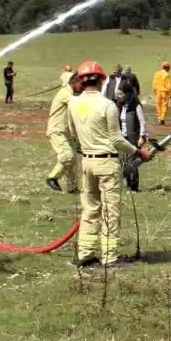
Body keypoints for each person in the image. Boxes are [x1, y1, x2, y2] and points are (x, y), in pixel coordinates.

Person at [68, 61, 150, 269]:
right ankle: (109, 258)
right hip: (106, 162)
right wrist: (138, 152)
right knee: (110, 212)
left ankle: (85, 254)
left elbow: (72, 132)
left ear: (81, 80)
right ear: (102, 79)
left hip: (86, 161)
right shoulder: (107, 105)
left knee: (90, 209)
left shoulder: (73, 104)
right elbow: (116, 138)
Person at [46, 71, 82, 193]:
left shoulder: (71, 94)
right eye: (81, 84)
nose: (82, 88)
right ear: (75, 82)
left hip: (66, 132)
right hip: (57, 130)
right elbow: (79, 106)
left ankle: (72, 187)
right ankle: (52, 177)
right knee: (67, 155)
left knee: (73, 160)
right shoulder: (65, 93)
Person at [116, 84, 147, 192]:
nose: (118, 96)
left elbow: (142, 122)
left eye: (120, 94)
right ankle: (127, 183)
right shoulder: (119, 106)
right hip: (122, 137)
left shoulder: (136, 106)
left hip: (133, 138)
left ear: (127, 94)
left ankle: (134, 186)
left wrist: (142, 137)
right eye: (117, 93)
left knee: (132, 162)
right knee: (122, 161)